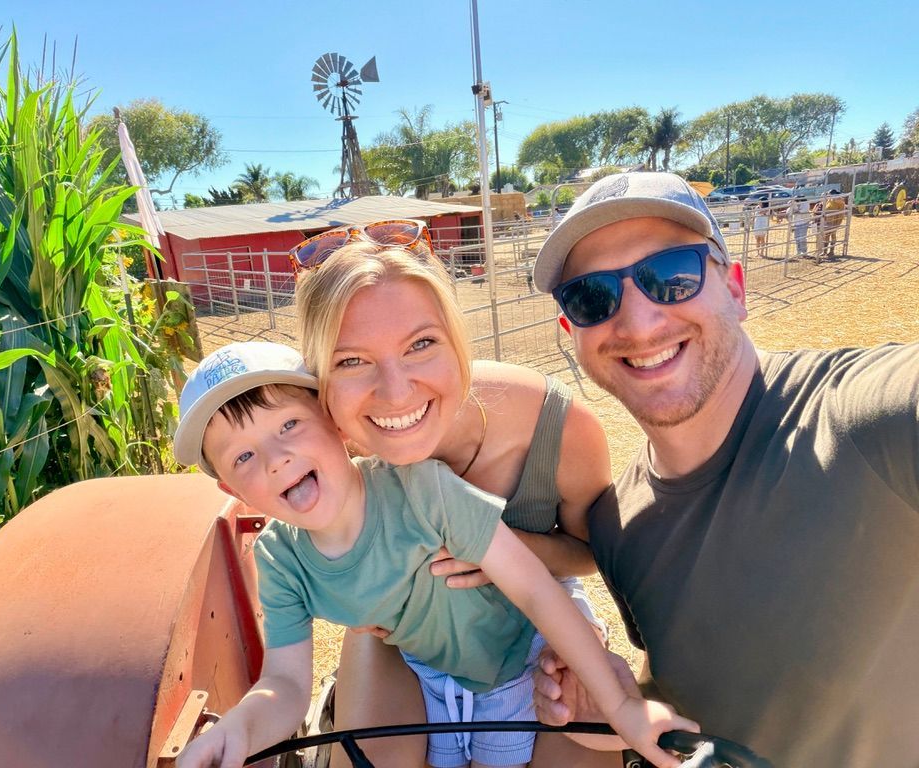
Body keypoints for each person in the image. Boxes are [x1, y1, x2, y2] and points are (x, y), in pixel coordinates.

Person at [529, 170, 919, 767]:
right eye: (592, 296)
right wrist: (610, 712)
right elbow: (693, 696)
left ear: (735, 288)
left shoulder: (864, 420)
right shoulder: (615, 527)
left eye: (671, 275)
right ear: (571, 332)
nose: (637, 323)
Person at [171, 341, 697, 768]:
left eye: (288, 425)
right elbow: (284, 683)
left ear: (335, 423)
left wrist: (620, 704)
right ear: (231, 488)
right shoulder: (281, 562)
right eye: (243, 455)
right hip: (431, 671)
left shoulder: (423, 490)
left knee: (582, 737)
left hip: (523, 653)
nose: (276, 458)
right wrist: (241, 726)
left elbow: (535, 588)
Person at [291, 222, 618, 768]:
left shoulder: (559, 428)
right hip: (403, 630)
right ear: (322, 377)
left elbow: (592, 554)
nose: (395, 392)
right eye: (351, 360)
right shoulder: (323, 445)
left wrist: (498, 551)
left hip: (538, 619)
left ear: (457, 341)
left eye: (420, 344)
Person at [819, 189, 846, 258]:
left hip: (835, 220)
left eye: (830, 194)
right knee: (826, 236)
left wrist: (838, 223)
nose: (828, 195)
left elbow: (841, 211)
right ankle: (825, 251)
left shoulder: (839, 200)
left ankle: (831, 251)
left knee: (832, 235)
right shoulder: (830, 200)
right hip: (828, 220)